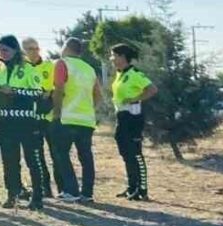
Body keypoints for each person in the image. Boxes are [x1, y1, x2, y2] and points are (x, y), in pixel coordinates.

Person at [0, 34, 46, 210]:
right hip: (4, 122)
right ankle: (12, 194)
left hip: (25, 121)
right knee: (9, 160)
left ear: (15, 50)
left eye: (5, 50)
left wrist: (13, 91)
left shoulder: (28, 68)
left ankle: (37, 196)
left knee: (32, 159)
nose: (2, 53)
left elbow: (38, 93)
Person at [51, 37, 101, 202]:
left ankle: (71, 190)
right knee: (86, 156)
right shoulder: (89, 69)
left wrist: (56, 112)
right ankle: (87, 193)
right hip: (87, 119)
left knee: (61, 153)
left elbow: (59, 89)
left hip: (67, 117)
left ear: (66, 48)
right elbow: (98, 95)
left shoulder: (62, 63)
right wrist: (90, 109)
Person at [110, 43, 156, 201]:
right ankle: (132, 187)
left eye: (114, 56)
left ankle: (142, 189)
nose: (112, 59)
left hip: (133, 117)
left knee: (136, 153)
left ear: (122, 57)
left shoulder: (135, 73)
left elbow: (152, 89)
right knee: (126, 153)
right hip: (121, 116)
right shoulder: (119, 74)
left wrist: (135, 99)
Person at [22, 37, 56, 197]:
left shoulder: (49, 66)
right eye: (30, 49)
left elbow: (52, 90)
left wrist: (46, 93)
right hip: (31, 118)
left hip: (49, 117)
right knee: (37, 155)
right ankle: (44, 188)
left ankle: (63, 188)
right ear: (23, 51)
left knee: (56, 153)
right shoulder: (21, 69)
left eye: (36, 48)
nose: (34, 52)